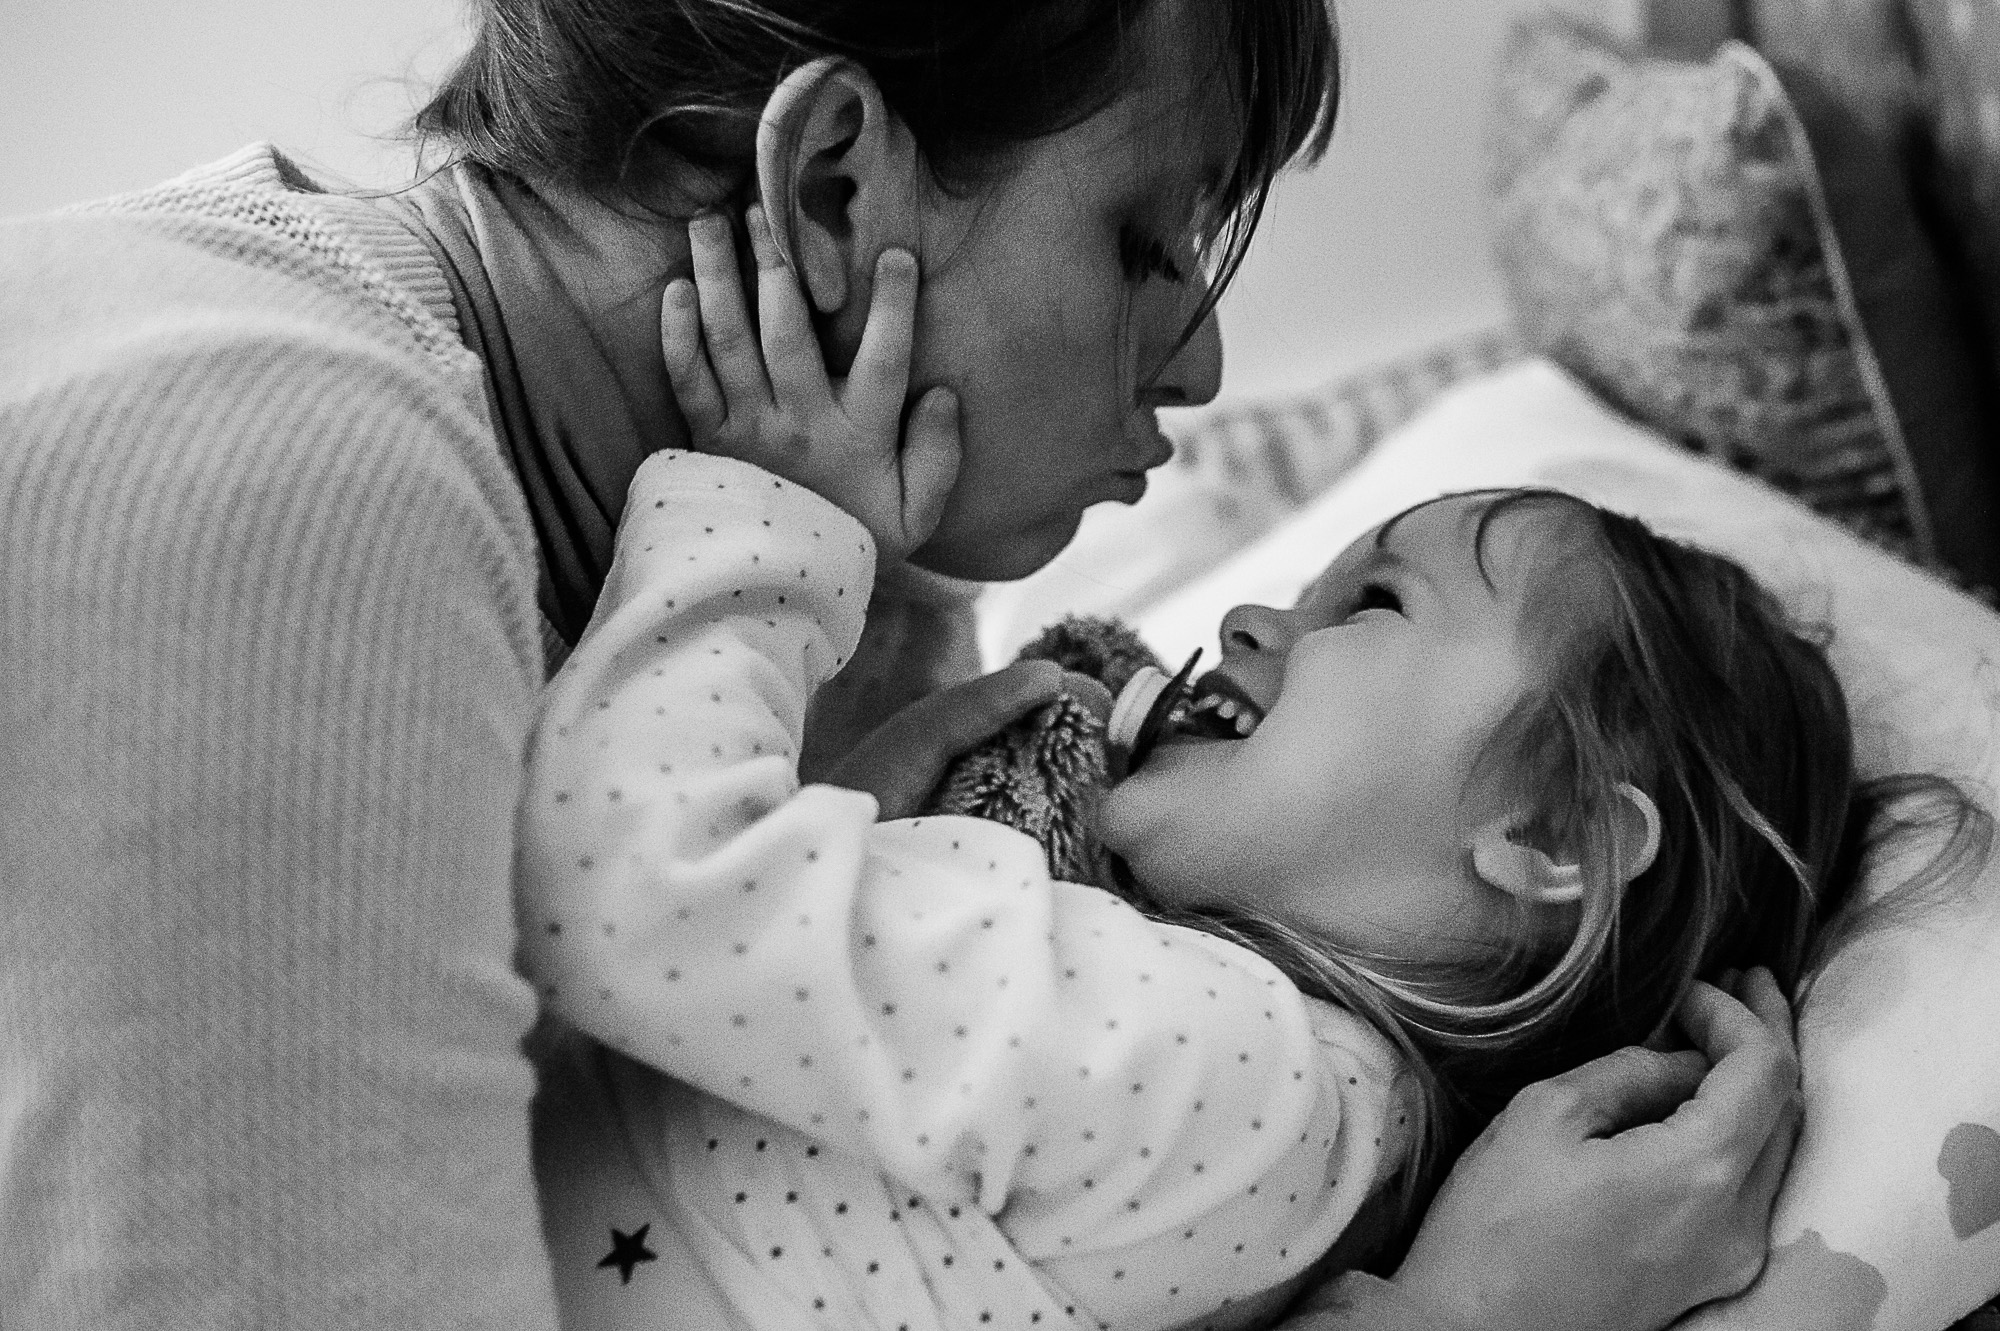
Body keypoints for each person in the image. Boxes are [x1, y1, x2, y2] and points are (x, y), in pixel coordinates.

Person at [0, 1, 1801, 1326]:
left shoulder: (846, 633)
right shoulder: (270, 499)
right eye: (1145, 239)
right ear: (837, 183)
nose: (1201, 370)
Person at [516, 209, 1837, 1331]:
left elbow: (620, 884)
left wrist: (768, 517)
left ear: (1554, 836)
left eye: (1371, 605)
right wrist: (845, 813)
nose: (1257, 624)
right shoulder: (1305, 1138)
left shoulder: (1239, 1069)